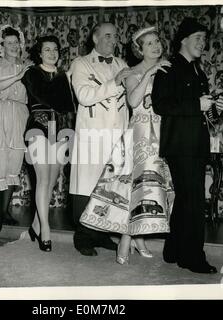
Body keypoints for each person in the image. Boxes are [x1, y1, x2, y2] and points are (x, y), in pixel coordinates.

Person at [79, 27, 175, 265]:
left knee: (151, 189)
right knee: (135, 188)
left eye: (157, 41)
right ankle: (126, 236)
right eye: (149, 43)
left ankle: (137, 236)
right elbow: (133, 101)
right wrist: (149, 72)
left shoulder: (169, 68)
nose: (155, 46)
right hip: (140, 132)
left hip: (162, 132)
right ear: (139, 49)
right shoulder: (132, 71)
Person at [151, 17, 223, 273]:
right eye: (198, 38)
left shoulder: (198, 71)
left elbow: (204, 114)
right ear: (183, 39)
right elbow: (161, 104)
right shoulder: (168, 68)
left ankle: (172, 250)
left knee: (186, 199)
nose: (203, 43)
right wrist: (198, 105)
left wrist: (215, 109)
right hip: (180, 145)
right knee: (193, 201)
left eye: (205, 39)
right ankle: (192, 257)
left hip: (196, 144)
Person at [69, 22, 133, 256]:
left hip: (117, 136)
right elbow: (84, 96)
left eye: (115, 36)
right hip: (92, 135)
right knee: (88, 187)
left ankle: (103, 232)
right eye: (107, 36)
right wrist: (115, 82)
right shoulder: (81, 63)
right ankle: (84, 236)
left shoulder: (122, 64)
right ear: (95, 38)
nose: (112, 40)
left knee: (111, 187)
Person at [22, 35, 76, 251]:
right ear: (39, 53)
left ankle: (35, 224)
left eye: (55, 49)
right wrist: (63, 82)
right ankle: (45, 229)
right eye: (47, 50)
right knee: (43, 179)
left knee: (52, 181)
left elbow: (69, 106)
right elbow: (44, 97)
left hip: (60, 128)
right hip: (39, 125)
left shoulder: (63, 76)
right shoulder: (32, 73)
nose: (52, 53)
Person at [0, 25, 32, 232]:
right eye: (8, 43)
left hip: (20, 115)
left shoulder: (28, 66)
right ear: (1, 46)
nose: (13, 46)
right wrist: (17, 76)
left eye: (16, 42)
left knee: (14, 163)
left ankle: (5, 211)